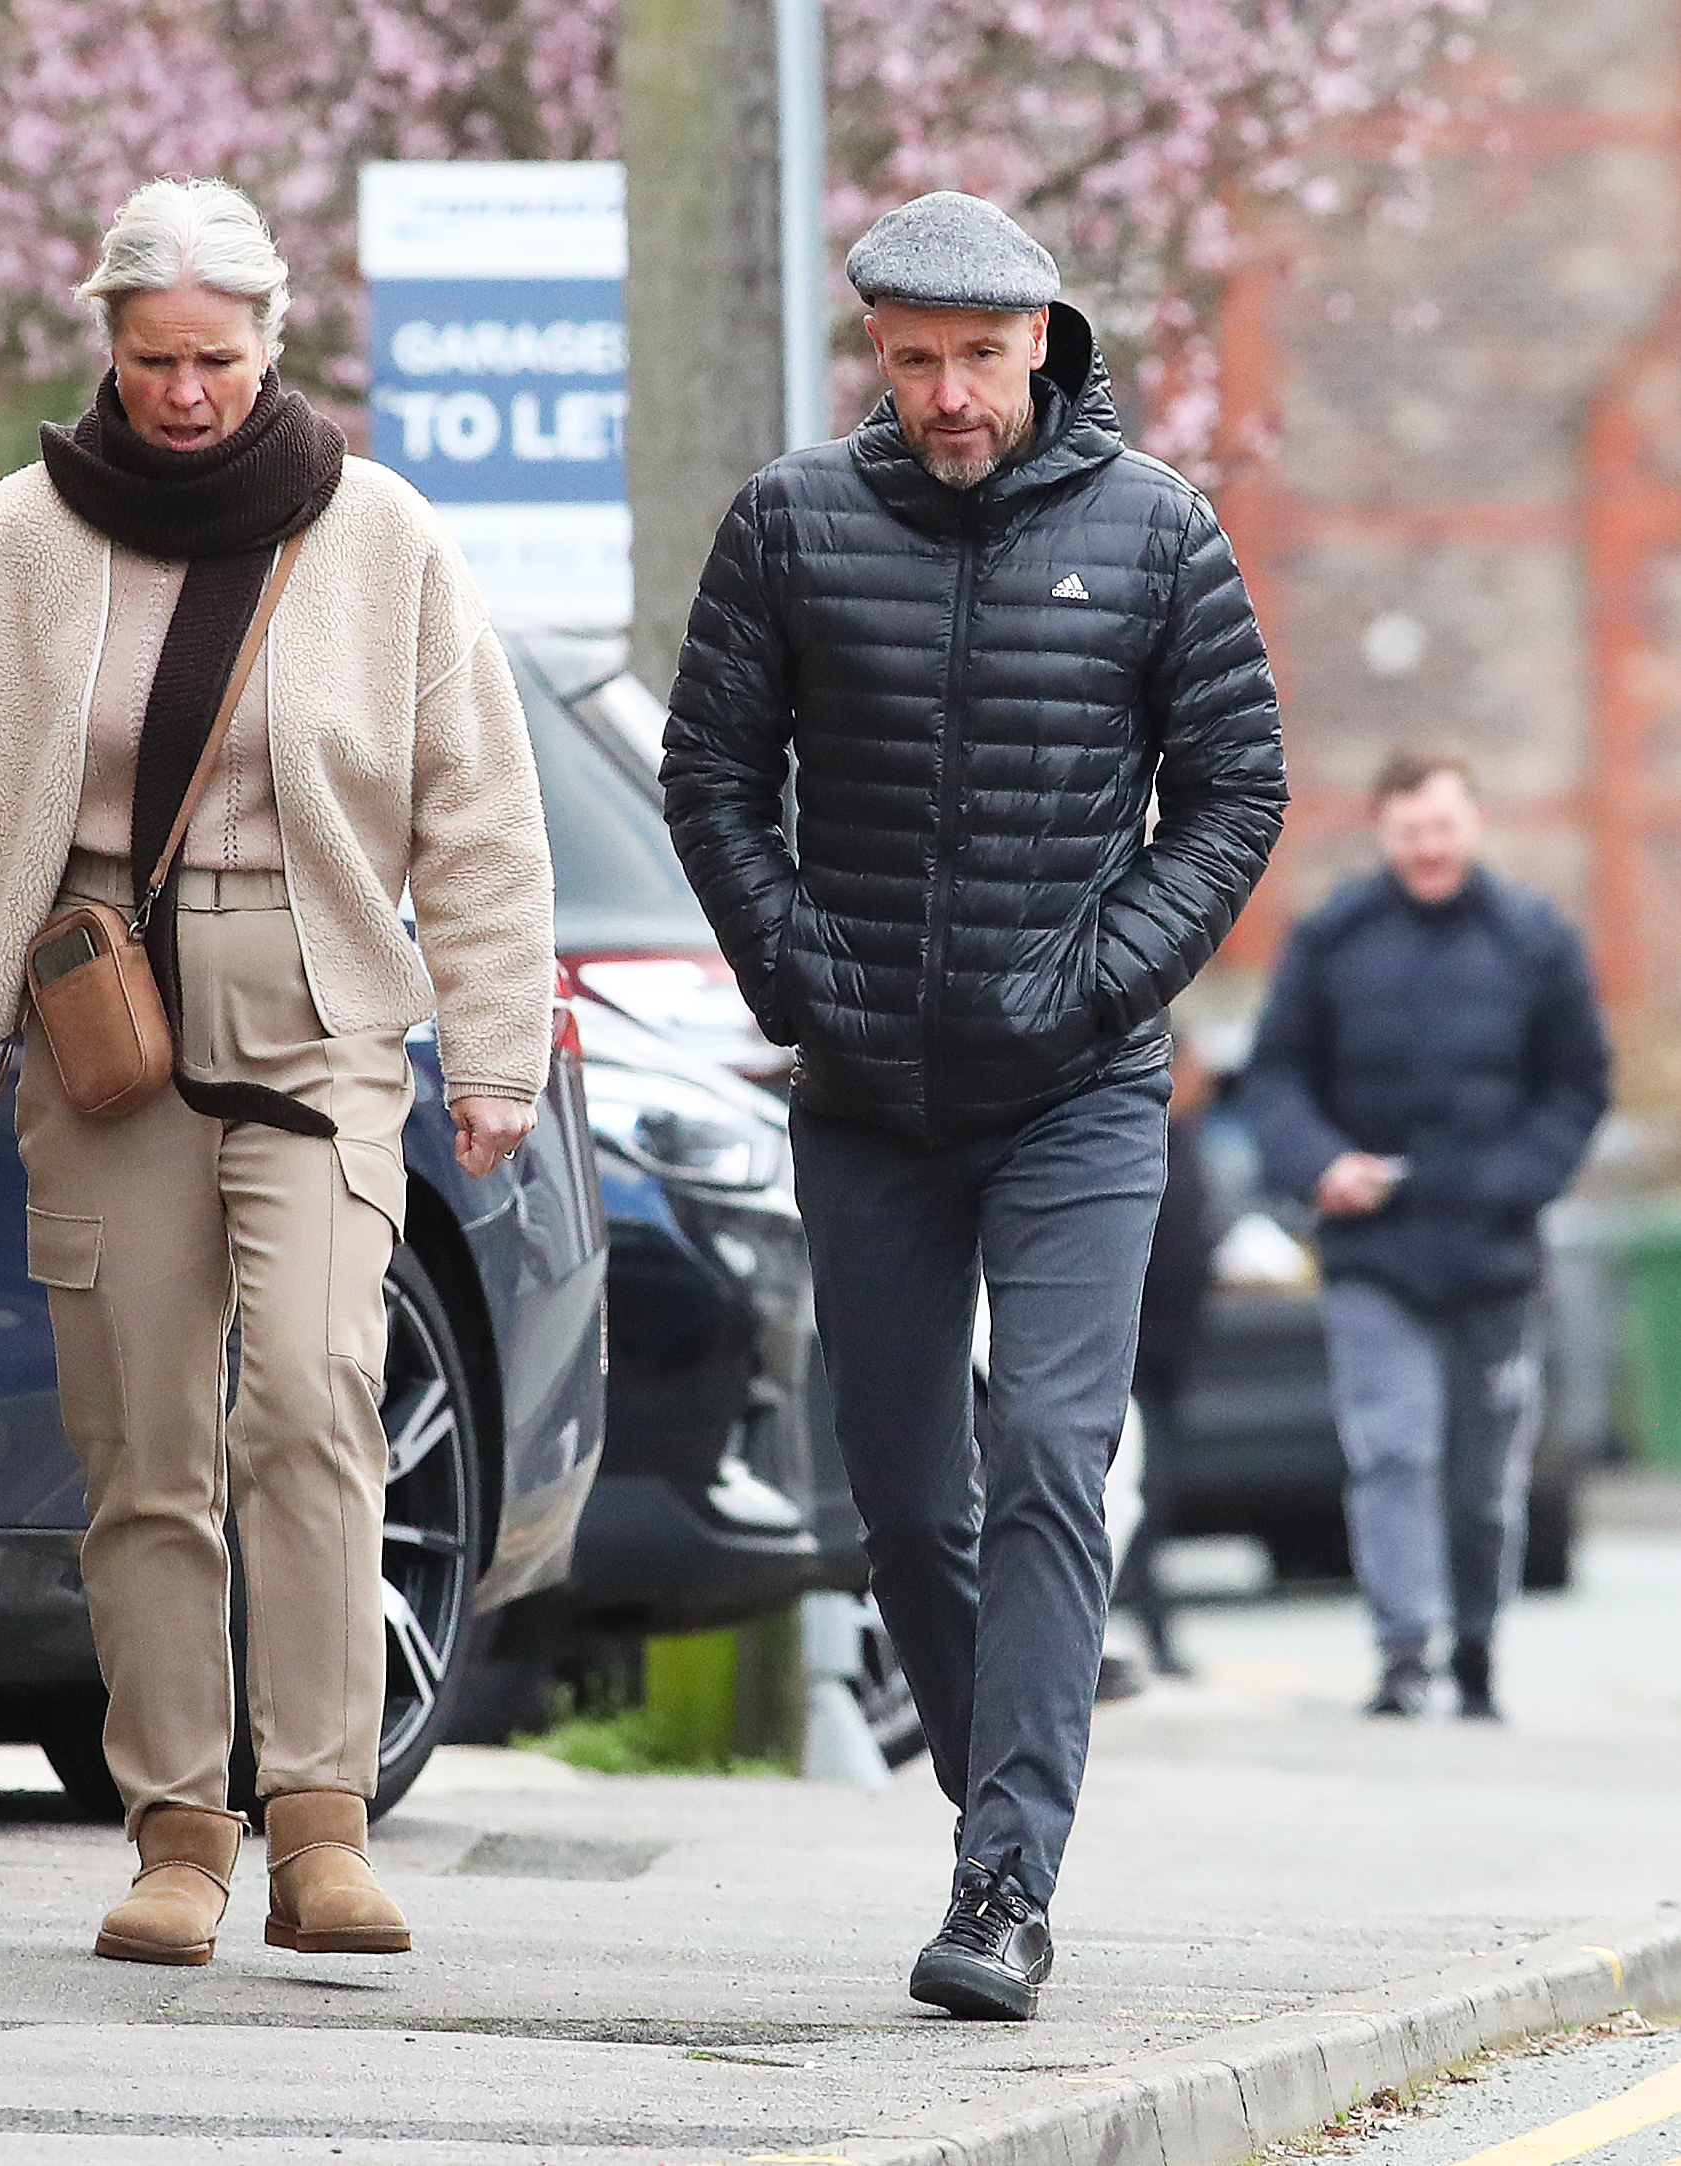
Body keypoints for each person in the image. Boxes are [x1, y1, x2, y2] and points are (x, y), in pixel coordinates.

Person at [0, 177, 554, 1966]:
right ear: (107, 347)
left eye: (216, 358)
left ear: (273, 343)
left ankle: (322, 1820)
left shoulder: (378, 536)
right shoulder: (13, 539)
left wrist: (498, 1044)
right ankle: (175, 1830)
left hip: (314, 997)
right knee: (143, 1435)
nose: (185, 392)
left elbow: (477, 805)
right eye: (153, 359)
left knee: (309, 1392)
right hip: (104, 1010)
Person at [662, 191, 1286, 2020]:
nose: (948, 395)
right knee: (904, 1499)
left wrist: (1096, 981)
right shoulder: (790, 523)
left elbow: (1234, 793)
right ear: (880, 351)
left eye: (979, 360)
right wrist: (796, 975)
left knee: (1047, 1458)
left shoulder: (1157, 528)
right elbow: (711, 773)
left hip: (1077, 1093)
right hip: (864, 1091)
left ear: (1043, 341)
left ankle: (1006, 1874)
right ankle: (990, 1784)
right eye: (915, 359)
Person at [1243, 748, 1607, 1722]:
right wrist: (1320, 1164)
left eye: (1443, 829)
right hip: (1374, 1251)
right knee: (1391, 1450)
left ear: (1473, 825)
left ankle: (1477, 1644)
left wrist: (1512, 1183)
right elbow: (1275, 1081)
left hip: (1493, 1253)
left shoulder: (1535, 940)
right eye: (1410, 833)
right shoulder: (1332, 940)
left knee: (1484, 1479)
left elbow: (1578, 1088)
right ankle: (1404, 1652)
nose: (1429, 848)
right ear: (1383, 833)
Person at [1114, 1039, 1222, 1679]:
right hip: (1140, 1357)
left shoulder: (1181, 1142)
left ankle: (1152, 1626)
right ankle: (1149, 1628)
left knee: (1148, 1497)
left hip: (1161, 1359)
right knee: (1138, 1496)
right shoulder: (1155, 1142)